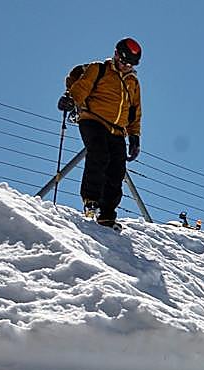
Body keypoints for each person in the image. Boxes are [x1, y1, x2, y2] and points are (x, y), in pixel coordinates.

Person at [59, 37, 143, 228]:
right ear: (116, 55)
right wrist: (71, 100)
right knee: (99, 154)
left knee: (117, 170)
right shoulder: (99, 69)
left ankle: (107, 214)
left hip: (118, 130)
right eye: (123, 61)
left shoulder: (133, 83)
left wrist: (134, 137)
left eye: (130, 64)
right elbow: (82, 87)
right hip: (93, 120)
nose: (126, 66)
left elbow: (135, 112)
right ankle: (91, 200)